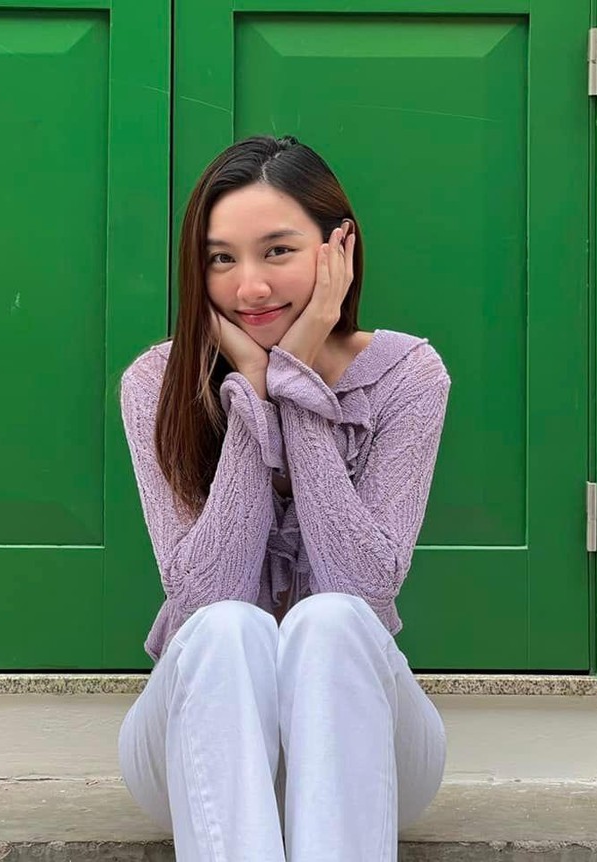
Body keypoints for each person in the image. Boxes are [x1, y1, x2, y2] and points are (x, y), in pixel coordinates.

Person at [117, 134, 451, 861]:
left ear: (338, 250)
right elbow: (203, 597)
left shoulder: (408, 375)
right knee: (225, 627)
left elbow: (363, 585)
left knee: (331, 620)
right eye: (220, 259)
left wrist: (293, 383)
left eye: (277, 251)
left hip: (370, 756)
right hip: (191, 753)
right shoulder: (155, 383)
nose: (250, 288)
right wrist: (250, 398)